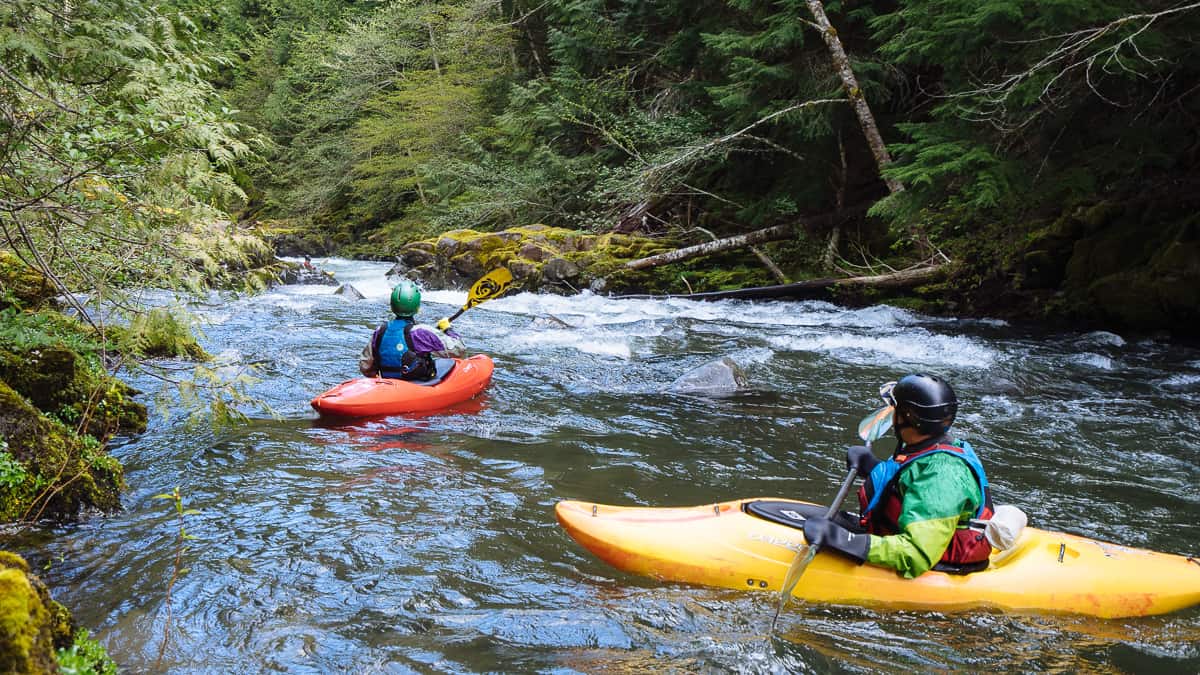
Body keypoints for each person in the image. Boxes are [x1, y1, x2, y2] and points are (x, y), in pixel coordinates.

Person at [803, 374, 994, 578]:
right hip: (908, 537)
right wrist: (872, 467)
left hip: (932, 563)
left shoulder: (942, 475)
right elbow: (908, 484)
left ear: (907, 417)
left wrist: (846, 540)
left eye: (896, 409)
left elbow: (916, 552)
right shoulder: (929, 449)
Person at [359, 280, 465, 380]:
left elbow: (365, 366)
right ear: (418, 308)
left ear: (392, 307)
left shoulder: (380, 331)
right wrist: (447, 329)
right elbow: (458, 350)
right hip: (416, 384)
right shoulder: (422, 332)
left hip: (388, 384)